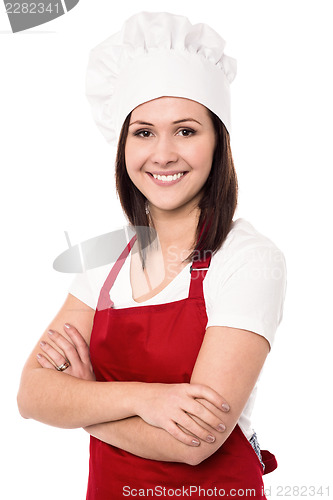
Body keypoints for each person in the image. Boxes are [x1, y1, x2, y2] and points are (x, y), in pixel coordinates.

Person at [17, 11, 287, 499]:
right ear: (124, 147)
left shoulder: (247, 259)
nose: (163, 154)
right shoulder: (103, 259)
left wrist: (84, 403)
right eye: (143, 132)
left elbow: (194, 442)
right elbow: (32, 395)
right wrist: (148, 399)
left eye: (186, 131)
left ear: (218, 142)